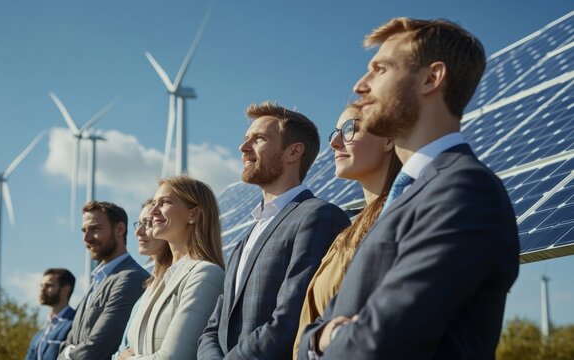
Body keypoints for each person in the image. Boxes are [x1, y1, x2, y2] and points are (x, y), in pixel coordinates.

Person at [299, 18, 520, 359]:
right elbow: (311, 335)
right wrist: (323, 336)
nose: (360, 85)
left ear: (432, 78)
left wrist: (327, 337)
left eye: (380, 69)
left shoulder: (465, 191)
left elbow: (381, 342)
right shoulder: (405, 197)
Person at [198, 102, 350, 359]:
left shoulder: (317, 216)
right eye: (246, 139)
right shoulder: (245, 239)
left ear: (293, 152)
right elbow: (212, 329)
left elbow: (289, 321)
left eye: (258, 139)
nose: (243, 148)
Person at [292, 104, 401, 359]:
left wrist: (325, 337)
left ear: (388, 139)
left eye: (350, 129)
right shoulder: (349, 231)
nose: (335, 142)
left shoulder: (400, 222)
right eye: (335, 132)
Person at [115, 176, 225, 360]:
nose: (153, 212)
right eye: (155, 203)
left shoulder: (206, 275)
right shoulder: (157, 282)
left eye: (164, 203)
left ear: (193, 214)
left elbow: (173, 358)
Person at [58, 201, 149, 360]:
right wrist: (67, 352)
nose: (87, 238)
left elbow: (96, 349)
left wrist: (67, 354)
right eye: (84, 230)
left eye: (95, 229)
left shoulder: (131, 277)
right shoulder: (97, 281)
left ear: (120, 229)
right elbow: (65, 345)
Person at [113, 199, 171, 357]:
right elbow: (121, 350)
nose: (138, 231)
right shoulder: (147, 289)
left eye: (148, 223)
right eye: (138, 223)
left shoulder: (176, 285)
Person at [26, 268, 76, 360]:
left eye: (48, 285)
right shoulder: (41, 332)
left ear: (65, 289)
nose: (42, 289)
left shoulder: (75, 323)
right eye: (41, 285)